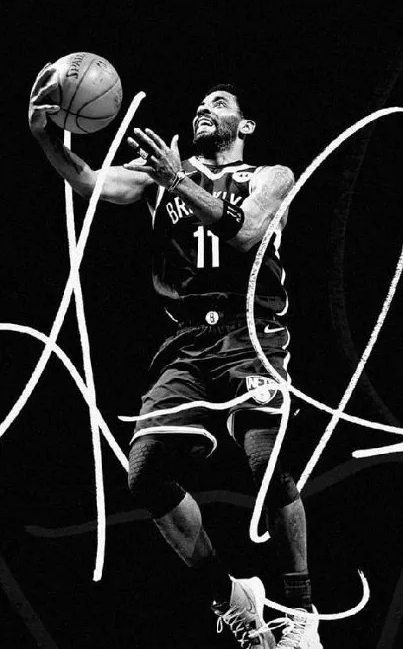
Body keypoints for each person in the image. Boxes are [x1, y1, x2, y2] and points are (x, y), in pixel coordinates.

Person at [29, 65, 323, 649]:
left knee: (265, 460)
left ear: (247, 123)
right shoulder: (160, 175)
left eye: (219, 101)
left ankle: (300, 609)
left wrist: (179, 181)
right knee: (143, 475)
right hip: (186, 342)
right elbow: (87, 181)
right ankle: (231, 596)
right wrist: (45, 134)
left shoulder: (271, 174)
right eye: (200, 103)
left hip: (251, 331)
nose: (203, 109)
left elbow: (246, 234)